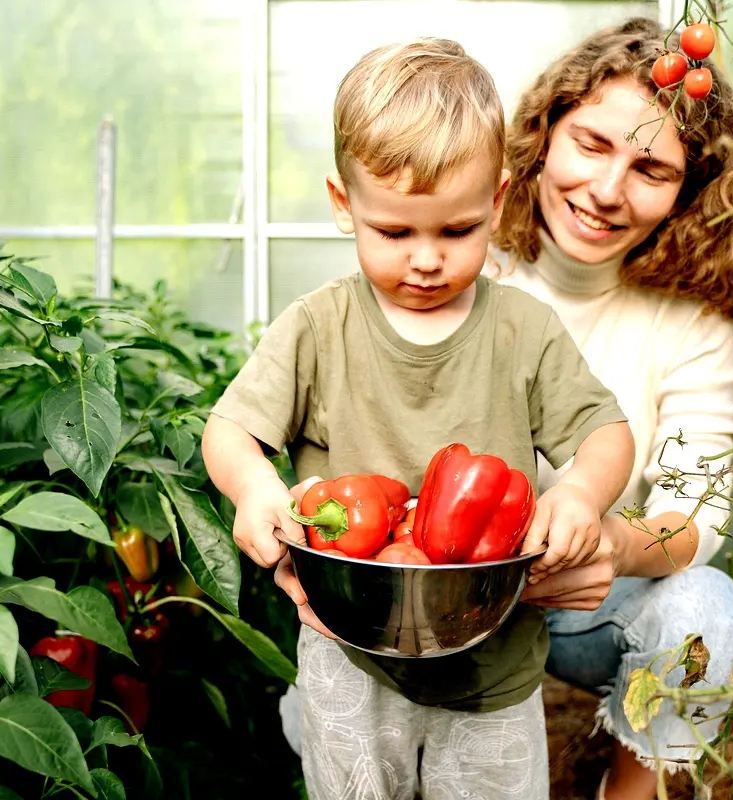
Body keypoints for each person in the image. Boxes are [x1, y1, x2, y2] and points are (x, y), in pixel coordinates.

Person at [202, 38, 635, 798]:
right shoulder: (316, 327)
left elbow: (606, 432)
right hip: (347, 652)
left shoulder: (523, 331)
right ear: (345, 205)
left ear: (497, 203)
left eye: (457, 231)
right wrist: (253, 491)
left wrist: (579, 496)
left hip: (492, 665)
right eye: (396, 233)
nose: (427, 259)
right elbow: (231, 431)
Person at [486, 17, 733, 800]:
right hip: (454, 592)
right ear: (546, 132)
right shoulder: (466, 256)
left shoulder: (692, 318)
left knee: (709, 611)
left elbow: (698, 508)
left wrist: (614, 548)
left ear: (686, 195)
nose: (606, 191)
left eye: (650, 168)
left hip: (591, 601)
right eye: (591, 144)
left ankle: (633, 787)